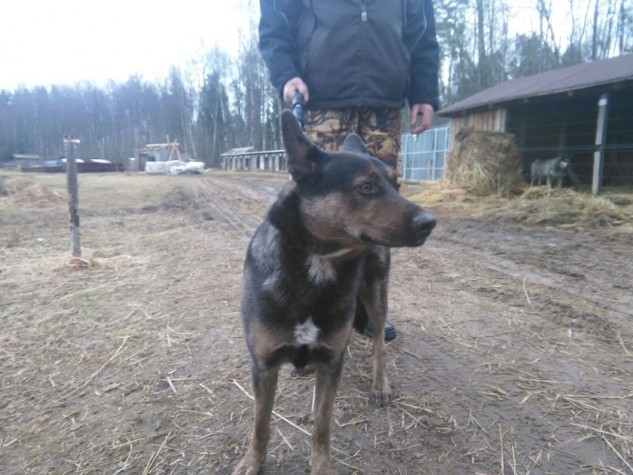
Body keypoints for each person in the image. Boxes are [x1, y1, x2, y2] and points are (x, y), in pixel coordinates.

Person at [259, 0, 440, 341]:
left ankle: (365, 309)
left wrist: (425, 90)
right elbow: (276, 18)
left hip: (385, 99)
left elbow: (422, 31)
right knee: (322, 215)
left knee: (382, 212)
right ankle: (312, 315)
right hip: (322, 95)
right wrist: (285, 72)